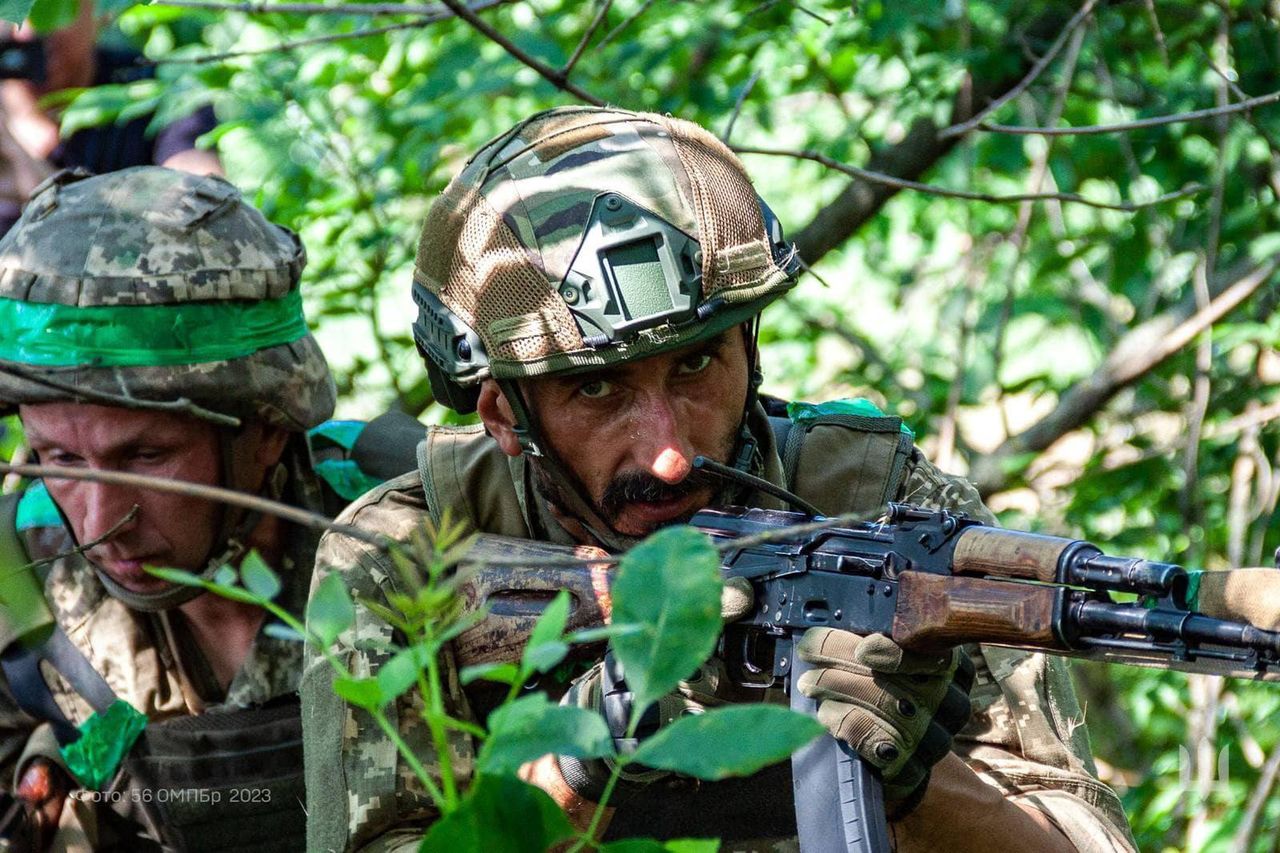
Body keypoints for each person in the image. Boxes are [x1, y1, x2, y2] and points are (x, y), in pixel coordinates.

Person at [302, 107, 1137, 852]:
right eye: (598, 389)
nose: (667, 453)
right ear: (500, 413)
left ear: (752, 349)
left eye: (697, 364)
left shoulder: (891, 510)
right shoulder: (406, 554)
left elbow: (1086, 836)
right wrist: (587, 751)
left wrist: (915, 781)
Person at [0, 166, 336, 852]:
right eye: (60, 459)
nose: (97, 525)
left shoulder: (416, 523)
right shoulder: (14, 583)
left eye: (144, 456)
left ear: (266, 427)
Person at [0, 0, 223, 236]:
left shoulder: (156, 89)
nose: (28, 31)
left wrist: (41, 187)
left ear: (102, 11)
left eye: (50, 8)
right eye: (10, 8)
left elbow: (207, 210)